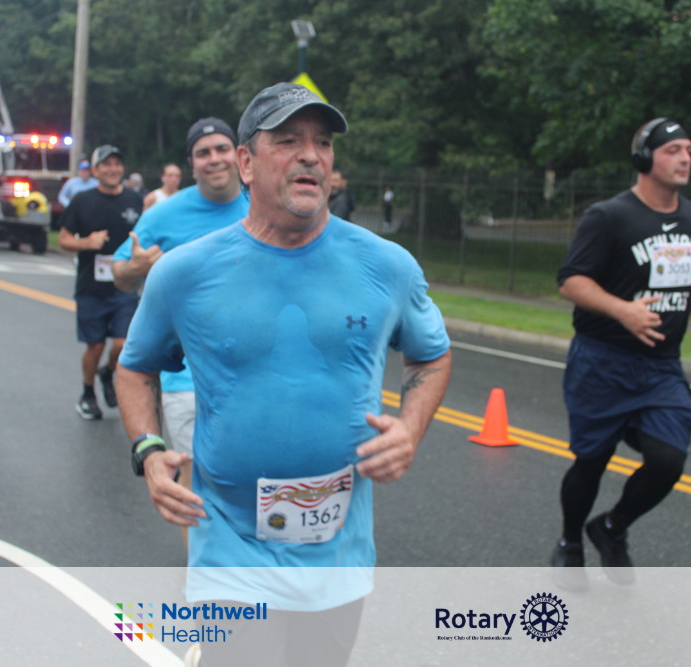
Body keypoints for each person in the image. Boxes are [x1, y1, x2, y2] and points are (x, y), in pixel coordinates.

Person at [116, 82, 451, 666]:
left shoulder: (387, 266)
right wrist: (148, 449)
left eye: (322, 143)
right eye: (289, 140)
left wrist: (411, 429)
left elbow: (432, 356)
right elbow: (136, 367)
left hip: (338, 551)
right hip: (229, 546)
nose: (311, 155)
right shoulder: (185, 273)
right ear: (246, 163)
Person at [551, 118, 691, 590]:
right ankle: (569, 542)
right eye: (673, 150)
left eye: (689, 150)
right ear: (645, 158)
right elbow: (571, 281)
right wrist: (622, 310)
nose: (685, 158)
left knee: (668, 461)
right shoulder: (609, 216)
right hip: (602, 361)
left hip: (661, 366)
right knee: (592, 460)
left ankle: (611, 527)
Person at [112, 117, 248, 553]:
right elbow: (119, 271)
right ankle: (203, 570)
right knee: (199, 480)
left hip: (255, 373)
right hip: (185, 377)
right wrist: (135, 267)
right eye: (203, 153)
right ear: (191, 164)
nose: (214, 159)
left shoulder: (262, 205)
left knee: (252, 477)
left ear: (240, 155)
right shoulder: (164, 214)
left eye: (221, 149)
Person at [58, 145, 142, 420]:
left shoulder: (135, 200)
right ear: (95, 170)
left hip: (124, 286)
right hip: (91, 287)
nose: (112, 169)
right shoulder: (82, 200)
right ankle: (87, 393)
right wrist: (86, 243)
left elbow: (146, 235)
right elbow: (63, 239)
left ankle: (108, 372)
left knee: (123, 344)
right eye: (106, 165)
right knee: (94, 346)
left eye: (117, 164)